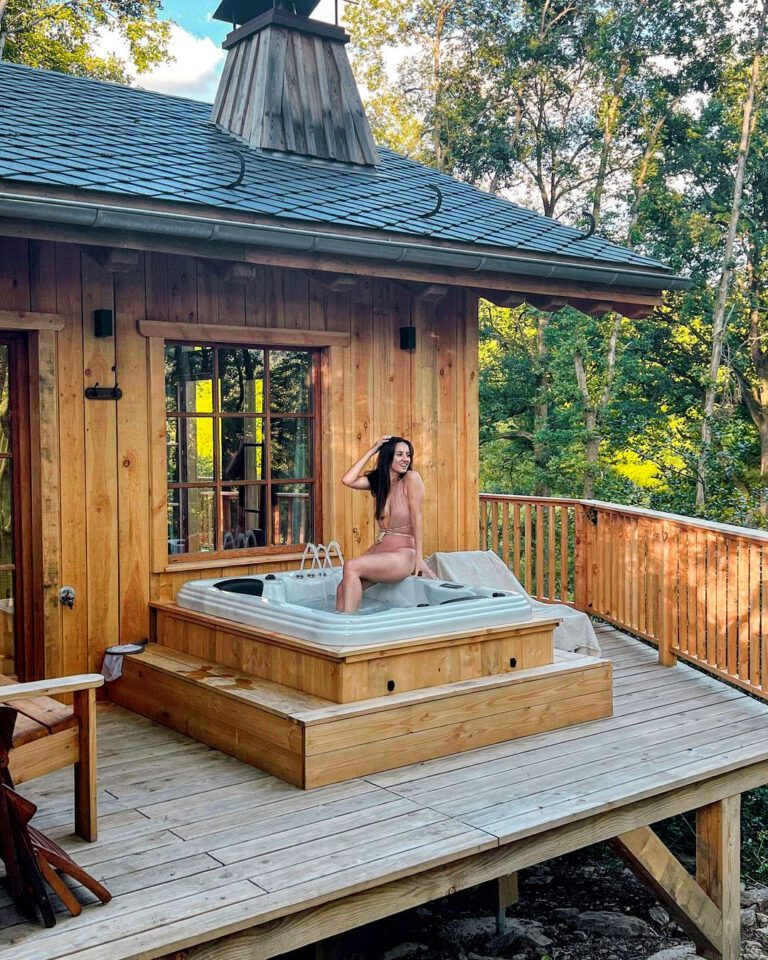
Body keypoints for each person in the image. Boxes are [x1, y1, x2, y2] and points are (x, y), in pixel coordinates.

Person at [335, 435, 437, 613]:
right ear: (388, 456)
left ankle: (349, 625)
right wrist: (373, 450)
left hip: (403, 554)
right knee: (341, 589)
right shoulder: (379, 482)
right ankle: (341, 627)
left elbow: (417, 517)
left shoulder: (411, 478)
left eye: (408, 454)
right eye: (399, 454)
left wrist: (419, 559)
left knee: (351, 566)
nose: (405, 459)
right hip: (382, 549)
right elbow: (347, 480)